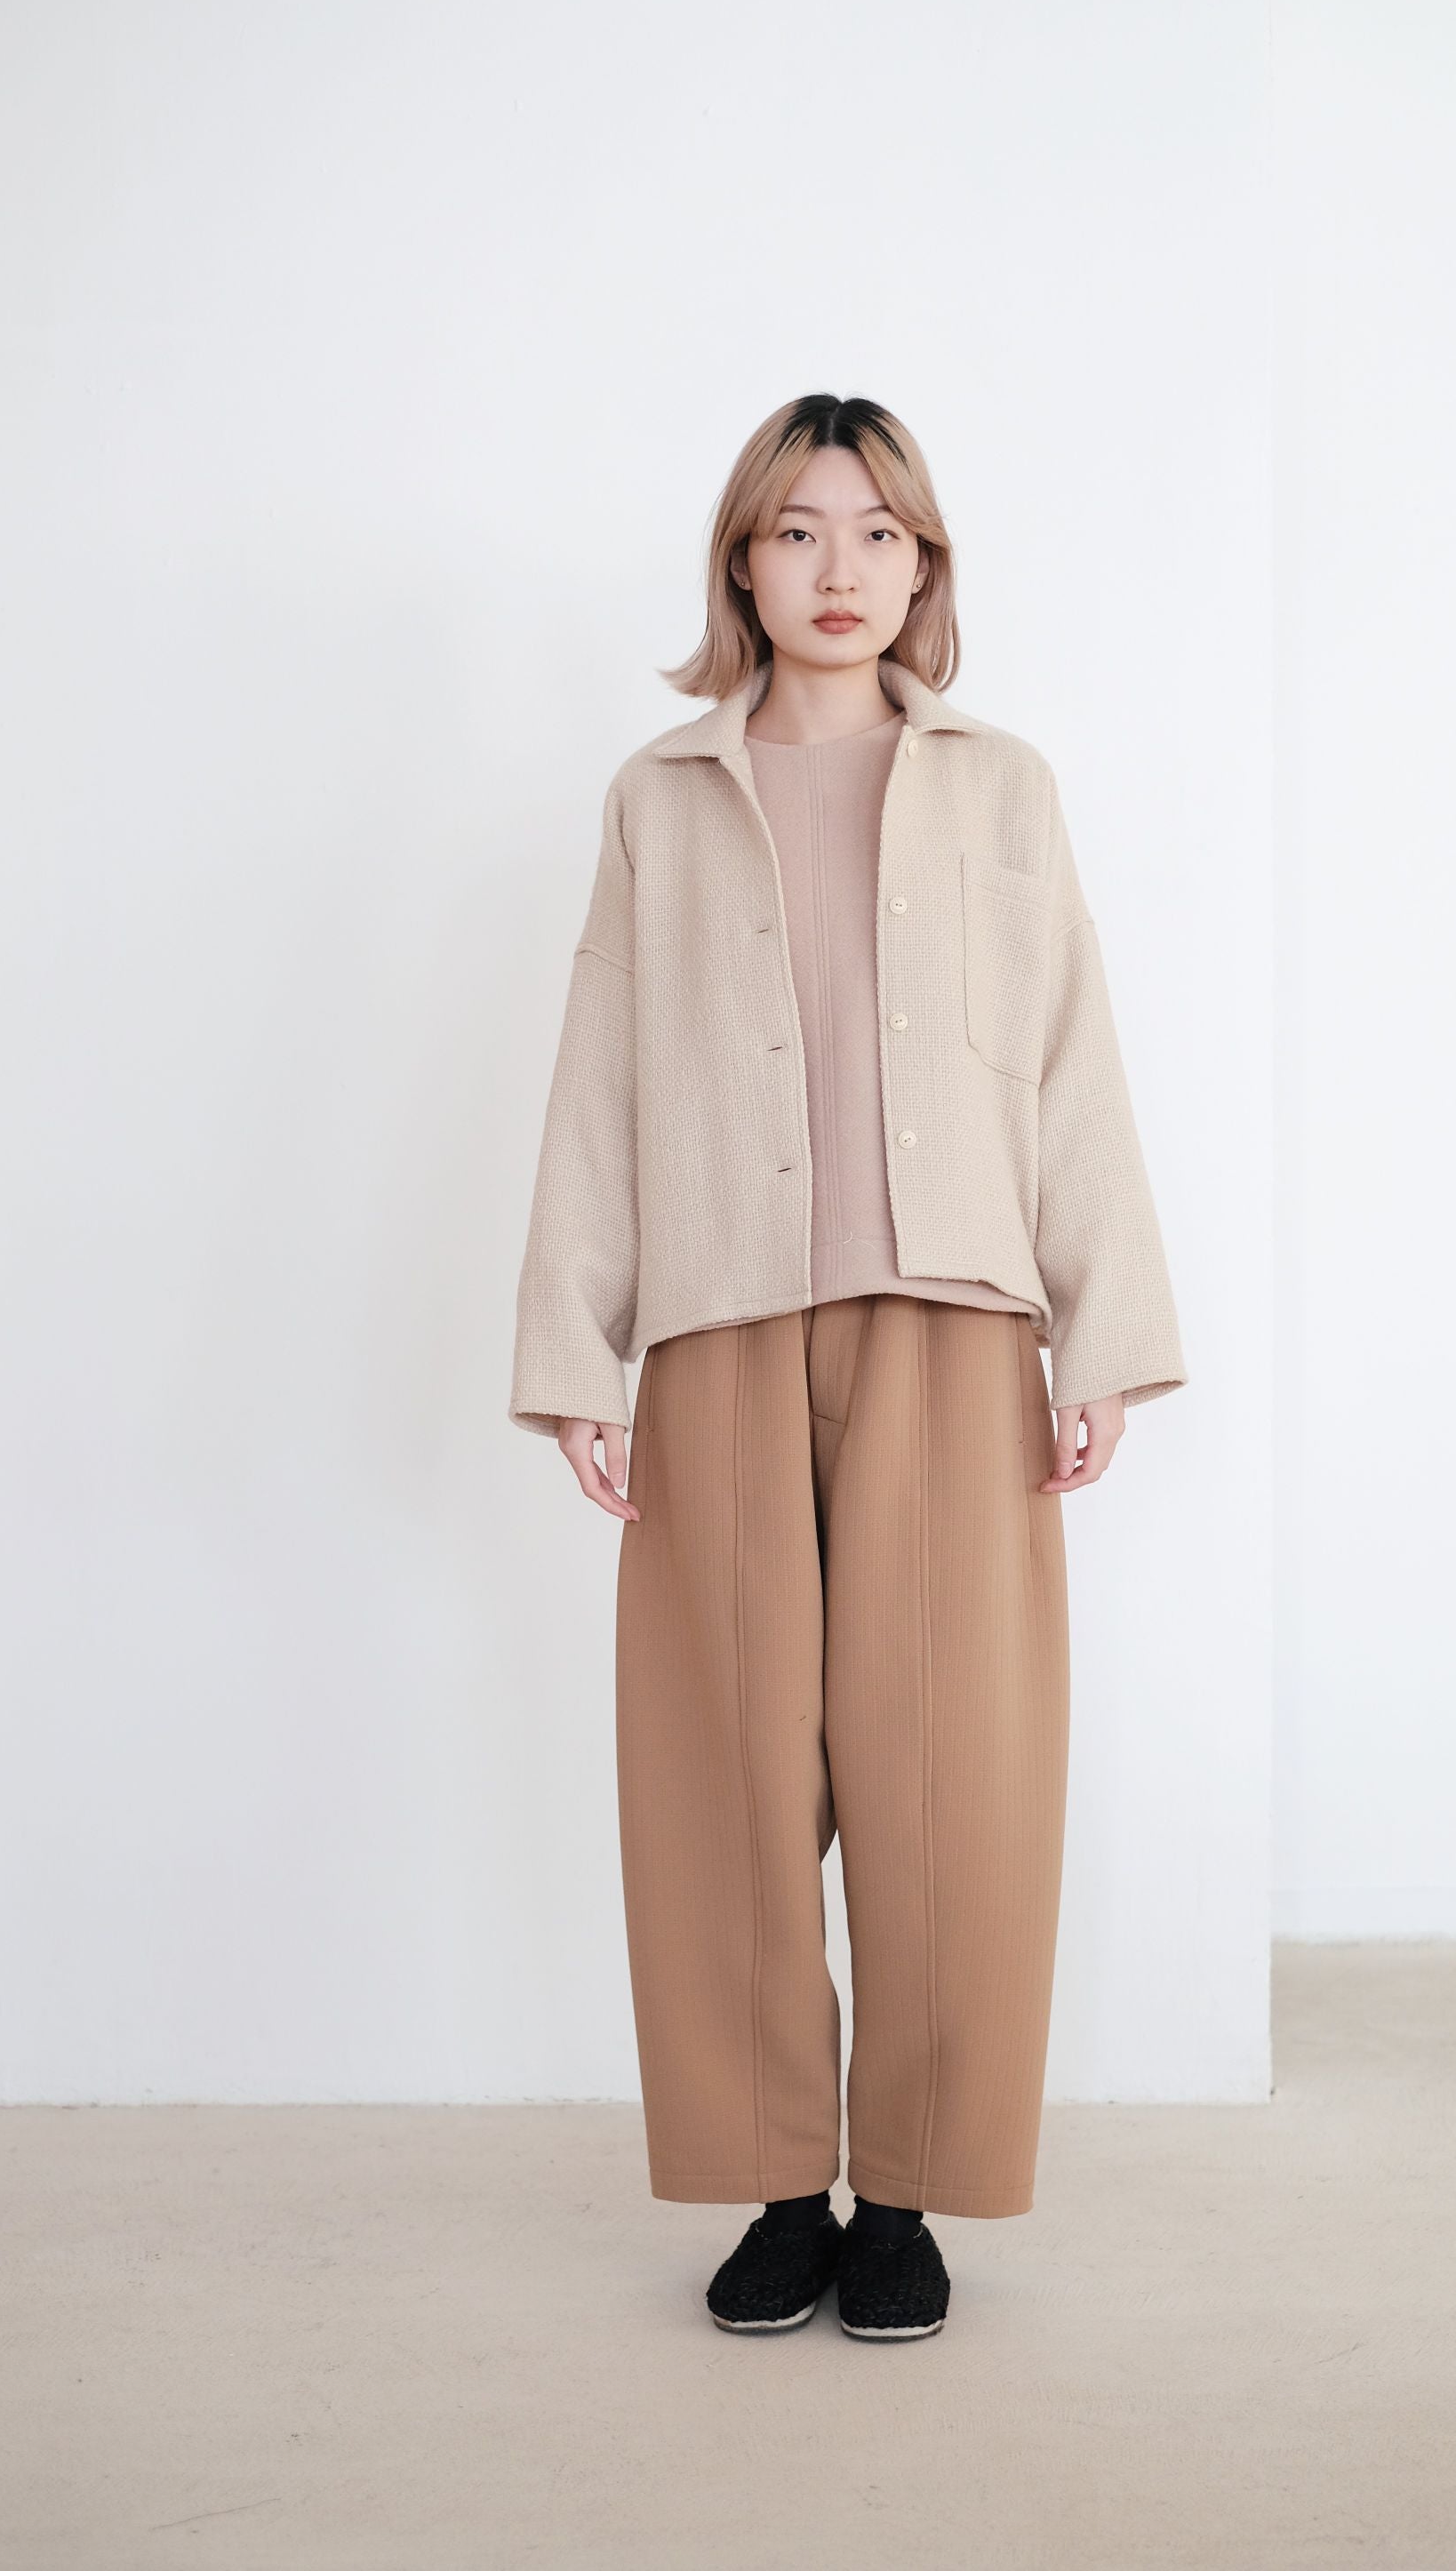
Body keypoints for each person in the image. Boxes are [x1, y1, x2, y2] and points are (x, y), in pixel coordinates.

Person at [509, 392, 1187, 2342]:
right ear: (743, 559)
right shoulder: (658, 798)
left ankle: (904, 2195)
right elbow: (601, 1077)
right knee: (723, 1769)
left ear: (923, 566)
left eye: (880, 533)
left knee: (948, 1768)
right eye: (799, 531)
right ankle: (774, 2190)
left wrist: (1104, 1333)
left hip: (953, 1326)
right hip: (720, 1322)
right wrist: (576, 1351)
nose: (840, 569)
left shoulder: (1001, 787)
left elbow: (1067, 1057)